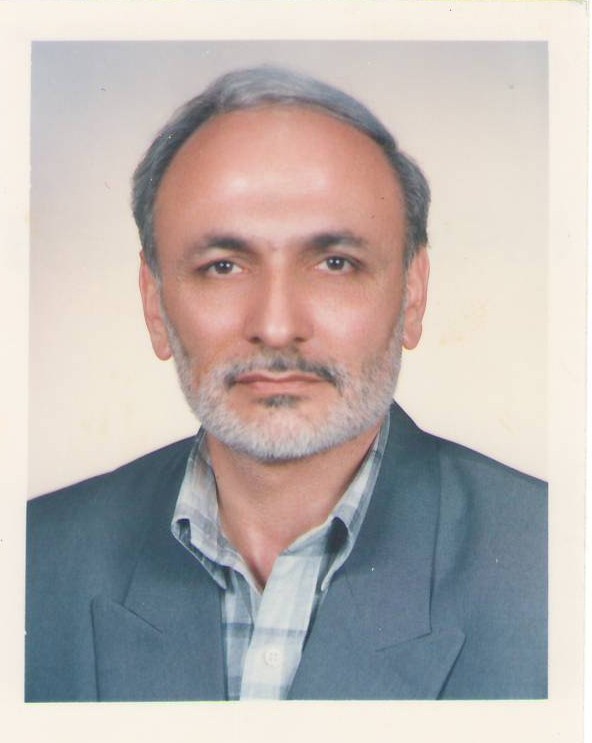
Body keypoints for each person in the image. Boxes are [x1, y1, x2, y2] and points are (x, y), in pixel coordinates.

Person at [25, 65, 547, 702]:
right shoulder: (28, 560)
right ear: (154, 303)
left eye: (335, 263)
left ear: (413, 294)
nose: (275, 327)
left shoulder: (557, 560)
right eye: (223, 266)